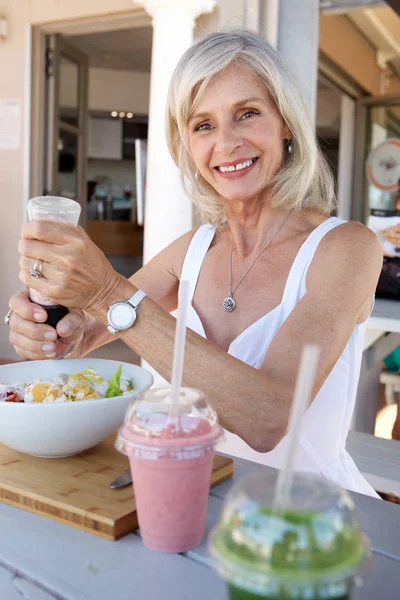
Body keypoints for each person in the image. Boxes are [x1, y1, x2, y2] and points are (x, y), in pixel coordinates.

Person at [7, 30, 382, 497]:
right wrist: (41, 325)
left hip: (308, 525)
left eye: (247, 114)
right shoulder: (194, 248)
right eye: (203, 125)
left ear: (286, 123)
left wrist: (108, 292)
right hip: (186, 502)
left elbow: (267, 419)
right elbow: (84, 334)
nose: (225, 143)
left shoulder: (348, 248)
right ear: (186, 143)